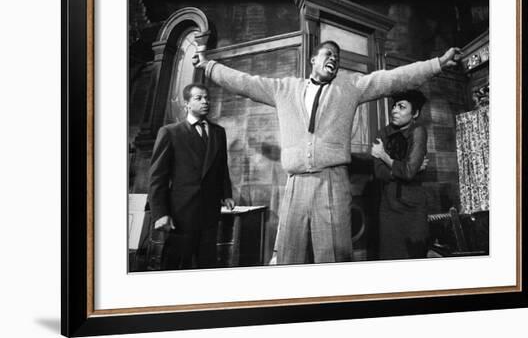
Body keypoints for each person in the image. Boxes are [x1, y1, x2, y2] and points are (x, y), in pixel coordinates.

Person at [193, 37, 461, 265]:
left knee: (334, 259)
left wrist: (436, 65)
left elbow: (391, 79)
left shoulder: (349, 87)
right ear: (313, 60)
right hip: (296, 184)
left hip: (332, 183)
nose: (334, 58)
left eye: (338, 56)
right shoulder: (284, 89)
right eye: (328, 54)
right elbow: (243, 82)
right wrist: (209, 66)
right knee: (288, 258)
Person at [148, 83, 235, 270]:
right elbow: (157, 177)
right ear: (186, 104)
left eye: (207, 98)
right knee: (175, 266)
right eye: (199, 98)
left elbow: (221, 167)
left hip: (210, 212)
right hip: (181, 214)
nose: (206, 101)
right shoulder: (170, 132)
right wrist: (160, 213)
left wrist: (226, 193)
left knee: (206, 264)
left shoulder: (219, 132)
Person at [371, 89, 430, 260]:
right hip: (388, 207)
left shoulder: (418, 131)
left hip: (414, 208)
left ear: (415, 113)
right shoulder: (382, 133)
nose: (394, 110)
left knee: (415, 258)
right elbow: (379, 173)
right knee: (390, 257)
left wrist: (384, 156)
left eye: (401, 107)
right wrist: (406, 169)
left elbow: (409, 172)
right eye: (394, 106)